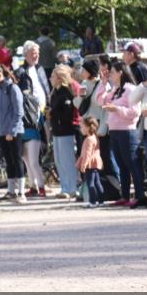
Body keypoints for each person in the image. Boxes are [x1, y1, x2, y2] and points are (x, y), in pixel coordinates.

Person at [101, 63, 145, 207]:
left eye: (112, 72)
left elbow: (135, 112)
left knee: (133, 164)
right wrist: (103, 83)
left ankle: (140, 195)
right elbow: (100, 100)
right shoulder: (115, 89)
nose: (110, 75)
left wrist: (117, 109)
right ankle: (124, 195)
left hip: (127, 131)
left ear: (120, 73)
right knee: (121, 165)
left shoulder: (130, 89)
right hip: (114, 131)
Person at [0, 65, 26, 202]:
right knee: (8, 161)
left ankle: (21, 192)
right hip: (1, 130)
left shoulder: (13, 88)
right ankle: (11, 191)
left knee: (17, 160)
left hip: (13, 130)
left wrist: (12, 131)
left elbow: (19, 112)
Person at [16, 41, 49, 198]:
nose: (36, 55)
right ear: (26, 54)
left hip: (43, 114)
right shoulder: (21, 72)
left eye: (38, 53)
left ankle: (40, 184)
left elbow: (45, 88)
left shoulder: (40, 69)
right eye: (33, 53)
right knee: (28, 157)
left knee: (37, 152)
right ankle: (34, 185)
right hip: (30, 116)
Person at [48, 65, 80, 199]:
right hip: (56, 130)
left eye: (53, 76)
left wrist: (53, 113)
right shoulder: (55, 92)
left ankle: (72, 188)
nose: (50, 78)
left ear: (60, 78)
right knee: (59, 160)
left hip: (66, 130)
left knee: (67, 160)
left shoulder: (66, 92)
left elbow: (67, 114)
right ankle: (64, 186)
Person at [77, 115, 105, 207]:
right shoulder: (95, 137)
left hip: (90, 164)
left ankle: (92, 201)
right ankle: (101, 200)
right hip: (96, 163)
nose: (81, 129)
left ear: (88, 127)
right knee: (97, 182)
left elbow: (87, 154)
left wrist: (84, 165)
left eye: (82, 127)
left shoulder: (88, 139)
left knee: (91, 183)